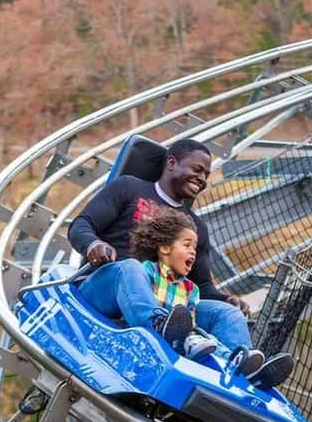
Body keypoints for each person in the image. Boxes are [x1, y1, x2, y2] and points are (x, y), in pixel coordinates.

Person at [68, 138, 293, 389]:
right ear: (172, 163)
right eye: (197, 170)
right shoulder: (129, 188)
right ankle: (158, 326)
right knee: (131, 267)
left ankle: (242, 371)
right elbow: (81, 225)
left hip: (166, 300)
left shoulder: (195, 227)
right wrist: (93, 245)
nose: (203, 179)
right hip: (104, 291)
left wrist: (225, 299)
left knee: (226, 314)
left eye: (207, 175)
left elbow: (202, 285)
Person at [129, 205, 219, 360]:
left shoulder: (191, 289)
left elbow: (190, 320)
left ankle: (236, 361)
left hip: (175, 343)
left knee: (212, 342)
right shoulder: (148, 270)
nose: (193, 251)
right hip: (146, 333)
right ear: (164, 248)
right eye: (187, 245)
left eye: (195, 248)